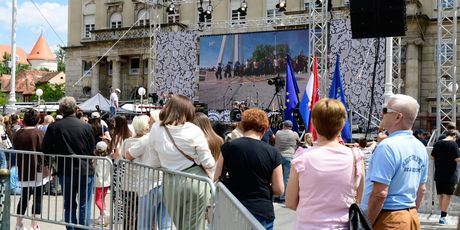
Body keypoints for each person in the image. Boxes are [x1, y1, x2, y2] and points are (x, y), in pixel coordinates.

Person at [285, 99, 364, 229]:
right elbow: (359, 199)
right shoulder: (356, 156)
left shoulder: (302, 158)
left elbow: (290, 202)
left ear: (313, 123)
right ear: (343, 123)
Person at [361, 94, 428, 229]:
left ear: (398, 116)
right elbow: (421, 189)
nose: (382, 113)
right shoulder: (420, 147)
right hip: (410, 216)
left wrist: (366, 224)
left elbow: (380, 194)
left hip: (388, 218)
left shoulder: (387, 146)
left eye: (386, 110)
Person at [148, 95, 215, 229]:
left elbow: (153, 162)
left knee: (180, 225)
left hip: (170, 183)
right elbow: (208, 161)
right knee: (195, 225)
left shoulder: (156, 128)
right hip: (195, 181)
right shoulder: (193, 130)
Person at [215, 108, 284, 229]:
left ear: (243, 126)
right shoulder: (273, 153)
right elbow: (279, 189)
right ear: (263, 129)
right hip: (261, 209)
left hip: (233, 205)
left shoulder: (228, 147)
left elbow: (216, 177)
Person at [42, 96, 96, 230]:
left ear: (61, 110)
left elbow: (45, 149)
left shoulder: (54, 127)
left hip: (66, 170)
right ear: (75, 109)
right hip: (84, 170)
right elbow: (91, 150)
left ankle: (71, 228)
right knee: (85, 204)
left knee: (69, 205)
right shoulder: (86, 127)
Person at [124, 115, 171, 230]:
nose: (148, 125)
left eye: (150, 121)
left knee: (144, 224)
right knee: (165, 223)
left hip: (149, 185)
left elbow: (128, 155)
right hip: (167, 184)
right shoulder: (169, 138)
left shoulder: (147, 139)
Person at [13, 109, 47, 230]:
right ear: (37, 120)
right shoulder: (39, 133)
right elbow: (45, 151)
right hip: (38, 169)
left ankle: (18, 223)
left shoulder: (17, 133)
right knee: (38, 197)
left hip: (24, 169)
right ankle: (34, 224)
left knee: (24, 197)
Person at [431, 130, 460, 225]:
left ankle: (442, 215)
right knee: (447, 196)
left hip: (439, 173)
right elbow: (457, 159)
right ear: (454, 135)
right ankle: (443, 217)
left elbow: (432, 157)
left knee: (442, 195)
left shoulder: (438, 143)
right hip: (450, 174)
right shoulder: (453, 144)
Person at [274, 120, 300, 203]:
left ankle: (276, 194)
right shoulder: (294, 134)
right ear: (291, 126)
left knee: (277, 176)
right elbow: (298, 141)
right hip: (289, 156)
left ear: (284, 125)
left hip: (278, 156)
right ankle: (282, 196)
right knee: (286, 177)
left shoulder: (278, 133)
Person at [93, 141, 111, 226]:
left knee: (97, 200)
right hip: (106, 182)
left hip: (99, 182)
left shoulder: (96, 158)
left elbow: (93, 166)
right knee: (102, 199)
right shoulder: (109, 158)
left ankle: (104, 213)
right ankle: (102, 218)